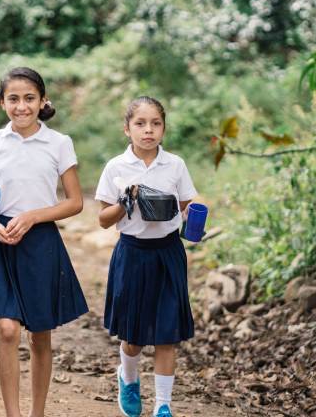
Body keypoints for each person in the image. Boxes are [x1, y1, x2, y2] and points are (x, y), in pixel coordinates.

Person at [0, 67, 89, 417]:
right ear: (2, 103)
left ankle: (37, 413)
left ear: (42, 101)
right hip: (1, 240)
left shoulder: (59, 143)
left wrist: (32, 216)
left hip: (41, 241)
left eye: (29, 98)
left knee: (41, 335)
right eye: (13, 99)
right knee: (7, 329)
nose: (22, 106)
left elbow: (74, 202)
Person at [95, 96, 198, 417]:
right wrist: (128, 199)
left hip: (168, 253)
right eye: (140, 124)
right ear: (127, 129)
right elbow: (103, 219)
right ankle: (128, 379)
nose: (148, 130)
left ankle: (163, 405)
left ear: (164, 129)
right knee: (134, 336)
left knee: (167, 334)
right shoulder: (116, 167)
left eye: (155, 123)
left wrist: (195, 214)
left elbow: (188, 204)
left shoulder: (175, 165)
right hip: (133, 254)